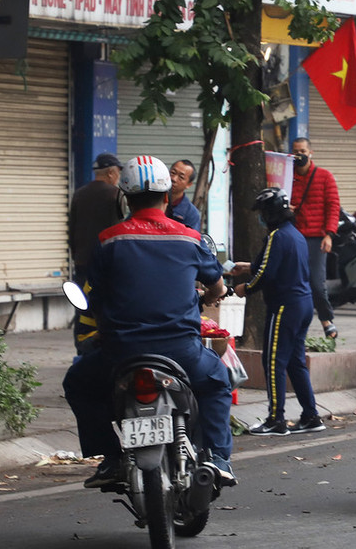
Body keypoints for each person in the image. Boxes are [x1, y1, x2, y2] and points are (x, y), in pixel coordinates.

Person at [62, 155, 235, 486]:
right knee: (217, 381)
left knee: (78, 383)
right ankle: (217, 458)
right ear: (167, 197)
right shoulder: (190, 238)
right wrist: (213, 295)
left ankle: (111, 458)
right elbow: (216, 285)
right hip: (183, 352)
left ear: (125, 199)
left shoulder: (108, 240)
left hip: (121, 353)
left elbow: (95, 296)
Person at [230, 188, 323, 437]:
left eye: (262, 212)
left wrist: (245, 288)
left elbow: (266, 273)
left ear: (270, 213)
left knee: (273, 362)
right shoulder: (295, 235)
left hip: (285, 307)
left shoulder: (277, 236)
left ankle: (276, 420)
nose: (261, 217)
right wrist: (247, 267)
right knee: (295, 362)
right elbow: (273, 265)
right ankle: (311, 415)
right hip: (302, 304)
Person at [67, 153, 125, 352]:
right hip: (107, 265)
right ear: (111, 173)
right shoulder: (116, 195)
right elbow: (119, 231)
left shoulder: (79, 194)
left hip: (83, 263)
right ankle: (105, 347)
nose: (118, 177)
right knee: (105, 306)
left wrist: (77, 257)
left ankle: (82, 347)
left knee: (82, 307)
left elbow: (71, 231)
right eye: (118, 173)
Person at [289, 137, 341, 339]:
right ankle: (298, 325)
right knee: (294, 282)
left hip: (317, 239)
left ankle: (327, 320)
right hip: (294, 238)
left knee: (317, 284)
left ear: (311, 153)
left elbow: (333, 206)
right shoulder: (287, 177)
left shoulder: (325, 176)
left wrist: (329, 234)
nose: (299, 155)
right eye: (295, 151)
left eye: (302, 151)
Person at [166, 159, 202, 230]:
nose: (174, 179)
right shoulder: (153, 201)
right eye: (173, 173)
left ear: (189, 184)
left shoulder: (191, 214)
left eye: (181, 177)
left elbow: (193, 236)